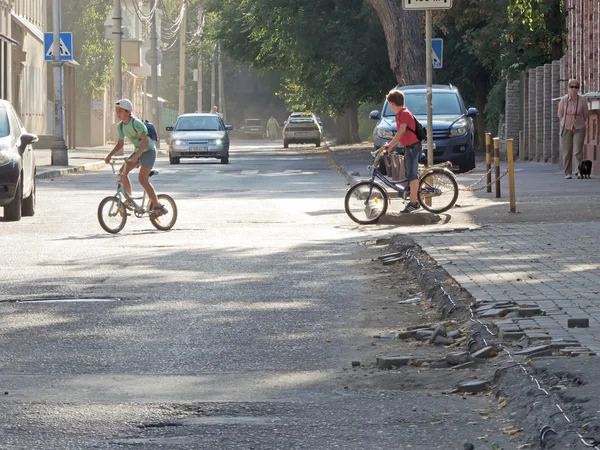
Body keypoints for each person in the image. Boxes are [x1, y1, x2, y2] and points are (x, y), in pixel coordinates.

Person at [104, 99, 166, 217]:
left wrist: (137, 156)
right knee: (123, 172)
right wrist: (109, 156)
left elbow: (145, 142)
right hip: (138, 152)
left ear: (128, 112)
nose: (118, 114)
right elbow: (120, 144)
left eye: (120, 111)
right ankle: (129, 200)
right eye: (116, 111)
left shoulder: (136, 123)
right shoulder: (121, 126)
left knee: (142, 179)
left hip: (148, 152)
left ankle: (157, 205)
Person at [382, 89, 422, 213]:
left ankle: (414, 203)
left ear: (393, 104)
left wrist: (390, 146)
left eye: (389, 104)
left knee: (412, 175)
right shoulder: (400, 114)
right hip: (408, 147)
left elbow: (401, 132)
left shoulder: (404, 113)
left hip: (413, 146)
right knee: (409, 173)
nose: (390, 107)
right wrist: (390, 146)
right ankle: (412, 197)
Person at [558, 79, 589, 179]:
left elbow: (585, 114)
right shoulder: (564, 100)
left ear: (578, 89)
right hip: (566, 127)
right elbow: (560, 114)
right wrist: (566, 121)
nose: (574, 89)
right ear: (568, 88)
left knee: (577, 151)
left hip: (579, 127)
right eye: (571, 87)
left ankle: (579, 171)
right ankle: (567, 172)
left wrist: (579, 121)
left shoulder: (582, 100)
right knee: (567, 151)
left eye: (576, 87)